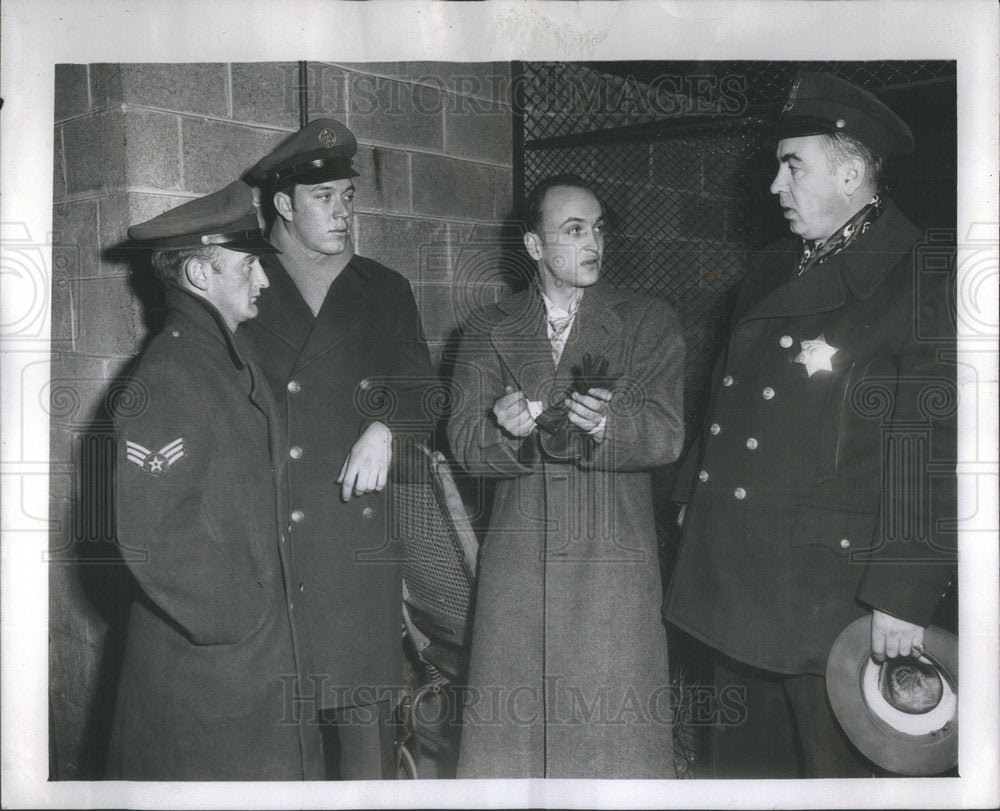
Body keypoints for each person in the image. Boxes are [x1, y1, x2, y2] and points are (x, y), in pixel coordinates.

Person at [663, 72, 957, 778]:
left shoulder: (922, 276)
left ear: (851, 170)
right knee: (739, 772)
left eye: (792, 165)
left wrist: (901, 594)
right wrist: (688, 506)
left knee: (834, 776)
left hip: (831, 596)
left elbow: (934, 447)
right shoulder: (771, 270)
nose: (775, 186)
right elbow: (727, 409)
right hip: (738, 575)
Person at [448, 174, 685, 778]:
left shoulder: (647, 321)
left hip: (612, 565)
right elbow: (464, 445)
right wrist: (505, 430)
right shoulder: (486, 327)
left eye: (599, 229)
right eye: (574, 230)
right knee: (515, 745)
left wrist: (609, 427)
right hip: (520, 569)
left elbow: (668, 433)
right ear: (534, 246)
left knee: (614, 744)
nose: (593, 243)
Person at [107, 180, 323, 780]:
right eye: (250, 264)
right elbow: (153, 532)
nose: (264, 280)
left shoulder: (229, 353)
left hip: (254, 657)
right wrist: (241, 614)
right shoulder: (172, 373)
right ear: (200, 275)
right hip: (212, 667)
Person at [242, 119, 436, 779]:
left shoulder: (384, 289)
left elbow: (422, 395)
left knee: (362, 749)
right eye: (325, 197)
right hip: (271, 546)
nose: (343, 211)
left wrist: (386, 426)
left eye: (348, 196)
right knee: (276, 744)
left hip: (355, 556)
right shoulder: (242, 281)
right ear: (284, 205)